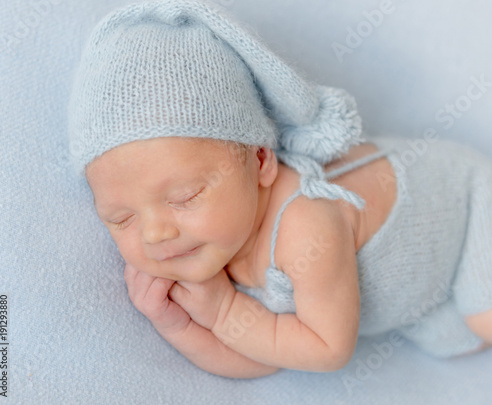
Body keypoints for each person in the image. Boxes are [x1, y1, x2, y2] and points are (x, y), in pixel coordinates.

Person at [68, 0, 492, 378]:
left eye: (185, 197)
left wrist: (225, 309)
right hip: (418, 287)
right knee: (451, 340)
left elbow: (326, 348)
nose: (154, 233)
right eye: (120, 218)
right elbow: (266, 356)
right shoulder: (208, 239)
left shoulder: (305, 225)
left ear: (260, 162)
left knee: (483, 320)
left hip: (471, 201)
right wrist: (176, 324)